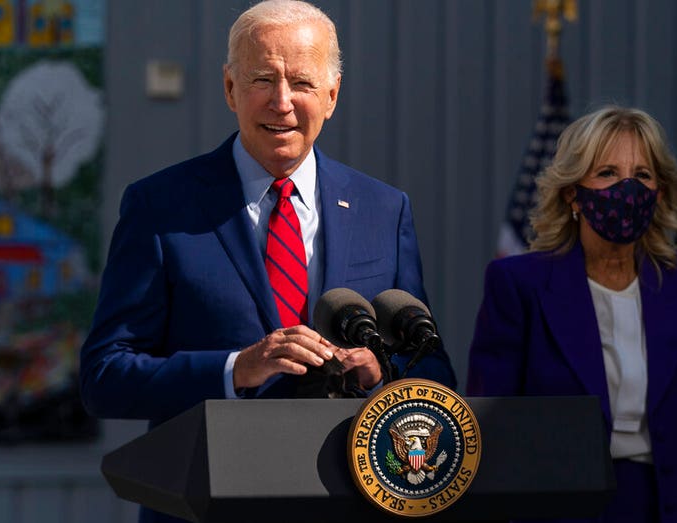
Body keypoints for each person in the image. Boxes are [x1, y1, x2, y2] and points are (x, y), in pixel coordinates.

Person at [81, 1, 455, 520]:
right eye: (262, 79)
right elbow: (105, 377)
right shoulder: (160, 206)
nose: (282, 102)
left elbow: (432, 368)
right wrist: (238, 369)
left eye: (301, 82)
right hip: (208, 503)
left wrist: (381, 374)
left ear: (332, 96)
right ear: (230, 89)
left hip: (349, 499)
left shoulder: (383, 210)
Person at [466, 106, 677, 523]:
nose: (626, 188)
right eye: (607, 174)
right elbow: (492, 425)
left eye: (641, 175)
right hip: (563, 509)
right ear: (572, 194)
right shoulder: (518, 284)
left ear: (659, 192)